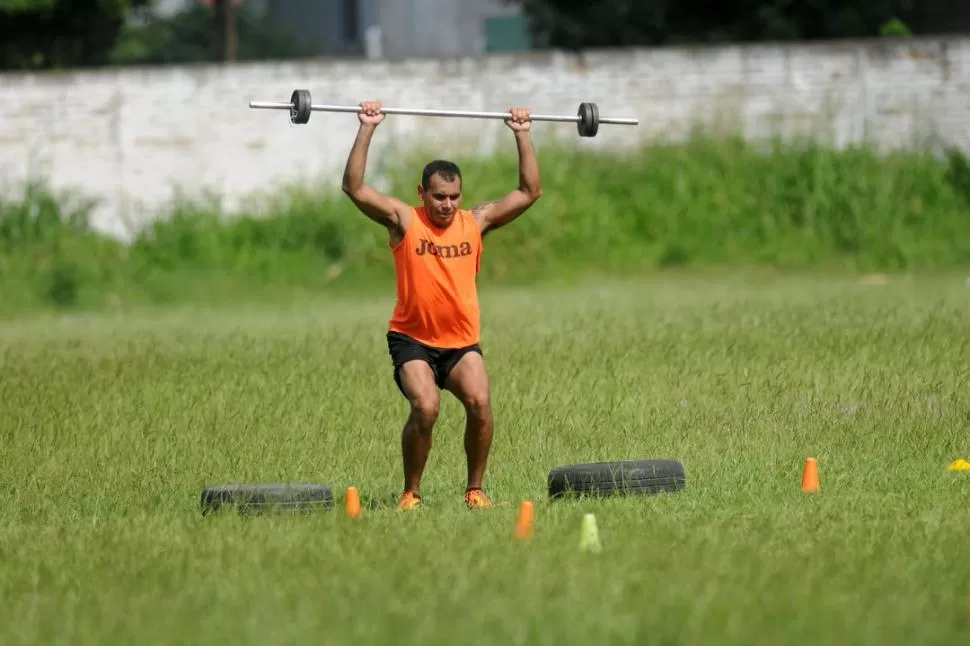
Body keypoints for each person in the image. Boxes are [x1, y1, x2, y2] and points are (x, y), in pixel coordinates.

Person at [341, 100, 542, 511]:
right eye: (438, 197)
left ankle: (475, 490)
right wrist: (367, 127)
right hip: (412, 340)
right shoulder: (404, 220)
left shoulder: (477, 221)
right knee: (426, 406)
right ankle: (411, 492)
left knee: (481, 403)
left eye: (453, 197)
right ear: (422, 193)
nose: (446, 205)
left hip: (460, 344)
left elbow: (528, 192)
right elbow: (355, 188)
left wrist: (522, 134)